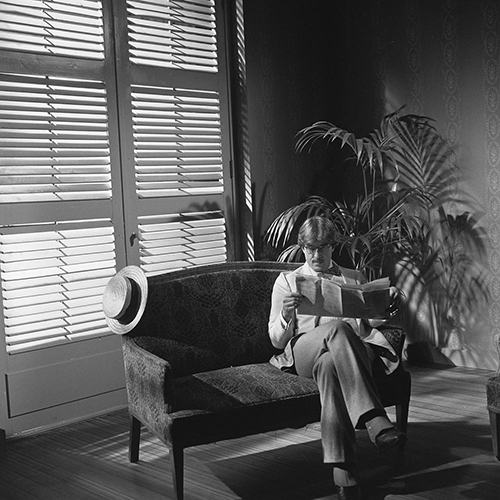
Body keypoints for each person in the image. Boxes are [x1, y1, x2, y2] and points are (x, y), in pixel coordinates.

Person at [268, 216, 407, 500]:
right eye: (310, 248)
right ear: (302, 247)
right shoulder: (287, 282)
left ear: (333, 246)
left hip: (349, 352)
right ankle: (374, 419)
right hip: (304, 351)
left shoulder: (353, 278)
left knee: (330, 365)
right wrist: (286, 314)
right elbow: (276, 340)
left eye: (322, 247)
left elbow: (371, 321)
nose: (316, 254)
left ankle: (344, 474)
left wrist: (388, 303)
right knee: (339, 329)